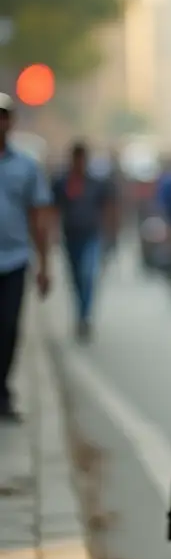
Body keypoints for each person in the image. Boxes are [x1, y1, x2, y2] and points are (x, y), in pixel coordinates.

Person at [0, 92, 52, 420]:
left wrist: (44, 264)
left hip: (14, 260)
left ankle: (2, 390)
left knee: (7, 328)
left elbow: (38, 215)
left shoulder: (26, 166)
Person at [52, 141, 117, 341]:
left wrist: (110, 232)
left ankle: (84, 316)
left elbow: (108, 207)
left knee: (88, 274)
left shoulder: (96, 183)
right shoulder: (62, 182)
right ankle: (80, 311)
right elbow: (53, 209)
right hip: (70, 235)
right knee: (76, 277)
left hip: (92, 235)